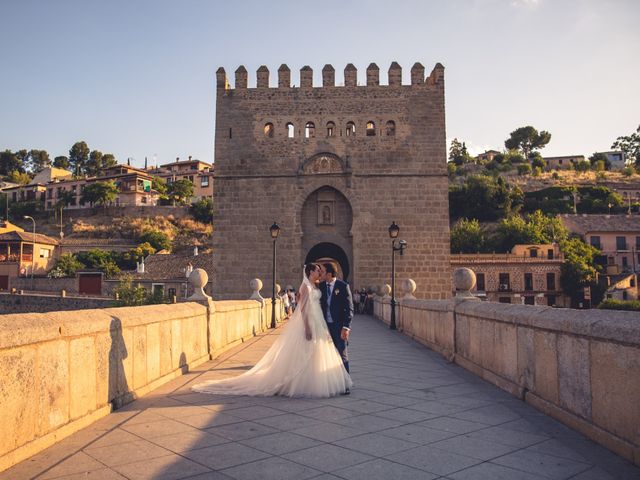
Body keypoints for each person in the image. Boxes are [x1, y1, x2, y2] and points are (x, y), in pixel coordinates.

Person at [192, 263, 352, 397]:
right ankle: (302, 382)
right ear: (311, 271)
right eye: (318, 270)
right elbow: (302, 309)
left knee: (324, 352)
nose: (320, 273)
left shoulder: (317, 286)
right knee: (307, 351)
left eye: (322, 271)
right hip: (311, 321)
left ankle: (325, 380)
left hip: (319, 322)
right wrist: (308, 327)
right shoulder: (306, 286)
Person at [319, 263, 354, 384]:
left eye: (322, 271)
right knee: (327, 355)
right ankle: (332, 383)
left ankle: (345, 383)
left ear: (329, 274)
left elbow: (349, 308)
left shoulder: (343, 286)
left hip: (339, 327)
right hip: (325, 327)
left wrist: (346, 327)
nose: (320, 273)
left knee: (342, 354)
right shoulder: (321, 286)